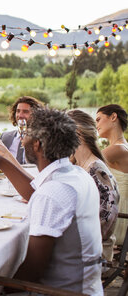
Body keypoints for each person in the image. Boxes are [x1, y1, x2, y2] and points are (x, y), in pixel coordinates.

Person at [0, 108, 102, 295]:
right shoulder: (76, 175)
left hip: (62, 291)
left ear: (37, 144)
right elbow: (35, 192)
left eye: (26, 133)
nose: (22, 138)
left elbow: (34, 270)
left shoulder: (53, 192)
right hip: (88, 286)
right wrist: (1, 163)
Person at [68, 109, 119, 261]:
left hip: (95, 253)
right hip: (80, 244)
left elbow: (105, 224)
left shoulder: (97, 170)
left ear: (78, 133)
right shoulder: (77, 165)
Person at [96, 104, 128, 246]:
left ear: (113, 117)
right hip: (114, 210)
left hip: (118, 218)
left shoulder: (118, 149)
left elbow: (84, 164)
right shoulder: (120, 147)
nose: (96, 125)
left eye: (98, 119)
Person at [0, 96, 43, 164]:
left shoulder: (42, 139)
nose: (20, 115)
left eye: (25, 112)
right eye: (18, 111)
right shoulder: (5, 137)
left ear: (36, 115)